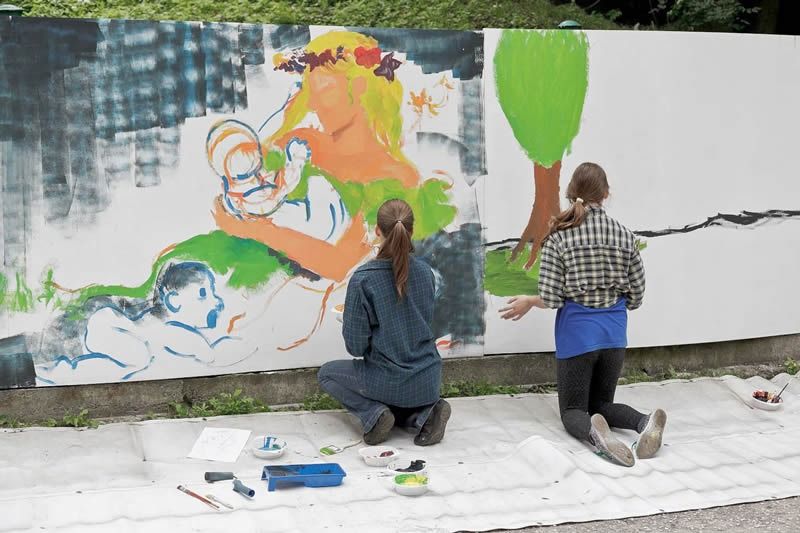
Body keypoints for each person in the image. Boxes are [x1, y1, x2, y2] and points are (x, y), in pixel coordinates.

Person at [499, 162, 666, 467]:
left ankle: (596, 436)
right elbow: (637, 293)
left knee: (573, 410)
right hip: (614, 335)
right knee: (602, 404)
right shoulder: (625, 235)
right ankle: (643, 422)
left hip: (577, 336)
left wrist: (529, 301)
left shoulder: (559, 237)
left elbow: (552, 297)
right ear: (606, 194)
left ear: (570, 192)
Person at [318, 199, 451, 446]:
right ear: (411, 231)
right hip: (429, 379)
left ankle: (375, 414)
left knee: (327, 374)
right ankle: (425, 416)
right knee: (400, 394)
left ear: (377, 230)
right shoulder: (425, 273)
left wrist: (351, 320)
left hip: (387, 379)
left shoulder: (364, 279)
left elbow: (355, 347)